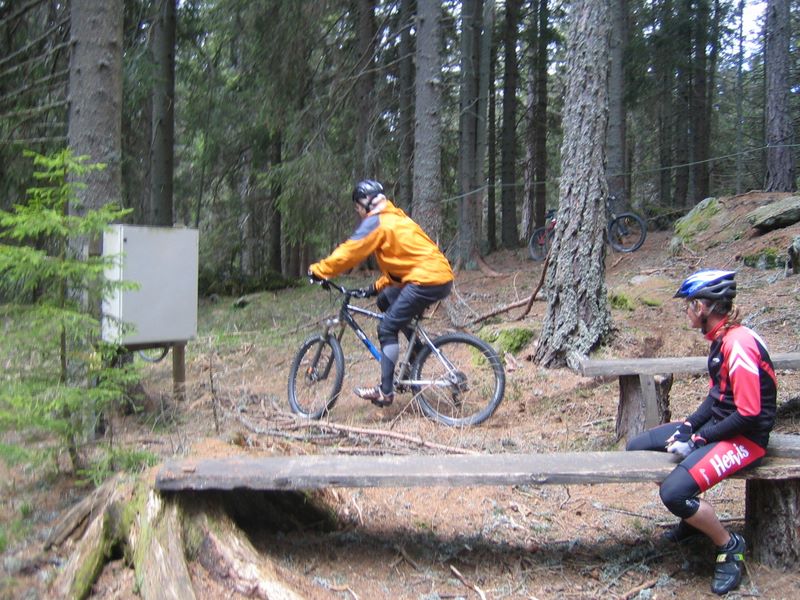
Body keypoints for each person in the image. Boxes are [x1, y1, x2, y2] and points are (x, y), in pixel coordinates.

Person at [626, 269, 777, 596]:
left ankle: (729, 545)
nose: (686, 310)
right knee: (638, 447)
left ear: (702, 306)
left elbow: (748, 413)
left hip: (746, 438)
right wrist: (689, 426)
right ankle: (694, 519)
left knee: (673, 494)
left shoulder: (739, 345)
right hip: (723, 426)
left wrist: (698, 439)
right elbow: (717, 397)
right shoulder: (721, 339)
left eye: (689, 304)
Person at [307, 180, 454, 407]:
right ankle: (416, 352)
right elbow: (404, 261)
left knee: (386, 328)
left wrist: (319, 270)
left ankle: (385, 391)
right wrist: (375, 288)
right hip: (435, 276)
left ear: (364, 203)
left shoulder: (377, 221)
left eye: (357, 208)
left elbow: (350, 252)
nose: (359, 212)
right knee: (386, 299)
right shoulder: (395, 217)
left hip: (426, 280)